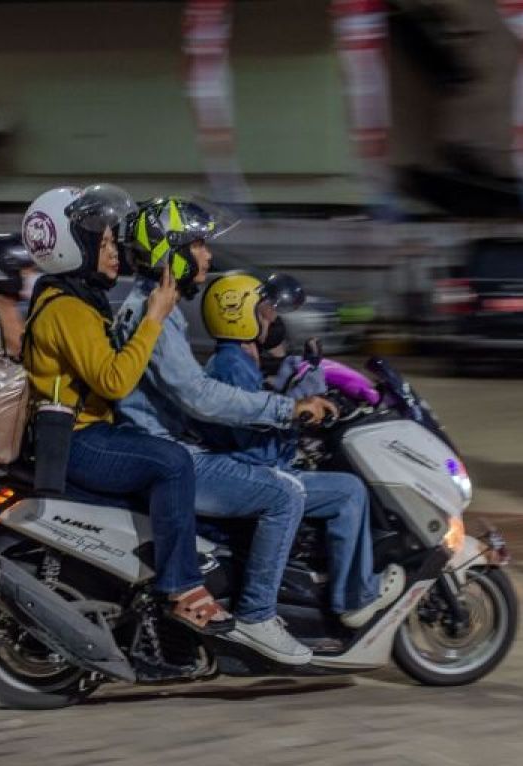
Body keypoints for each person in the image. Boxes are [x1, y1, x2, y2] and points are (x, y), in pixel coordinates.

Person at [113, 197, 336, 666]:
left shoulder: (161, 309)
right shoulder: (149, 312)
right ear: (169, 252)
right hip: (169, 456)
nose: (208, 256)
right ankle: (258, 615)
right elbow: (197, 395)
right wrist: (286, 409)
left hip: (170, 448)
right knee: (284, 494)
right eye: (197, 245)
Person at [21, 184, 233, 635]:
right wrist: (154, 318)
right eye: (102, 242)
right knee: (173, 462)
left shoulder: (71, 296)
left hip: (83, 433)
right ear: (70, 247)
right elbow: (114, 380)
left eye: (112, 239)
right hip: (78, 439)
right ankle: (183, 587)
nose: (115, 250)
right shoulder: (67, 309)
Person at [198, 272, 405, 628]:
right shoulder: (232, 365)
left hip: (246, 462)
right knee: (348, 491)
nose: (272, 318)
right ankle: (354, 597)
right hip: (250, 470)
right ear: (239, 315)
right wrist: (296, 418)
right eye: (264, 311)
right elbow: (256, 445)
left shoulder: (239, 360)